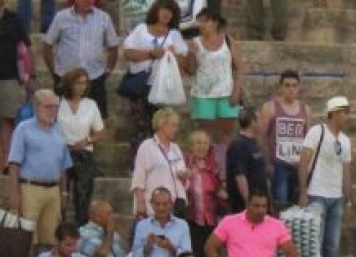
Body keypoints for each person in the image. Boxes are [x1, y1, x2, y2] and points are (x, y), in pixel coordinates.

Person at [298, 96, 352, 257]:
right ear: (335, 113)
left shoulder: (345, 141)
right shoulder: (317, 132)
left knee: (332, 246)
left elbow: (346, 172)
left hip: (336, 197)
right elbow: (303, 161)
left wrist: (348, 200)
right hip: (316, 194)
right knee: (315, 245)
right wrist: (303, 191)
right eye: (344, 112)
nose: (347, 117)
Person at [119, 1, 189, 156]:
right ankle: (137, 165)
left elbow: (184, 61)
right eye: (164, 9)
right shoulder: (141, 29)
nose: (166, 14)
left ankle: (161, 163)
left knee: (163, 128)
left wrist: (170, 54)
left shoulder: (174, 35)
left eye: (170, 11)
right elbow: (127, 53)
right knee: (139, 128)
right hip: (142, 86)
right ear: (156, 11)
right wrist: (151, 54)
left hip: (164, 89)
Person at [8, 89, 71, 254]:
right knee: (26, 238)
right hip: (30, 189)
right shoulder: (24, 129)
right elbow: (14, 163)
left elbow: (63, 165)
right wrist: (14, 194)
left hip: (53, 190)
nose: (52, 111)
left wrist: (64, 192)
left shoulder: (59, 131)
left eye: (55, 107)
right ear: (36, 107)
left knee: (51, 238)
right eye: (47, 106)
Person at [42, 0, 119, 121]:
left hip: (94, 78)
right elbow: (47, 45)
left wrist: (107, 72)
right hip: (65, 78)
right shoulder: (61, 17)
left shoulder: (104, 18)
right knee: (61, 120)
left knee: (95, 121)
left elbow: (113, 47)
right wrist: (54, 72)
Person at [56, 67, 103, 225]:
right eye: (78, 83)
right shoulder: (58, 103)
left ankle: (80, 230)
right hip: (62, 153)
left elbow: (100, 132)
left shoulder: (91, 104)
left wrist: (87, 140)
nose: (82, 86)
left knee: (82, 197)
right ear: (70, 84)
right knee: (60, 195)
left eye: (85, 83)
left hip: (83, 154)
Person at [258, 70, 310, 211]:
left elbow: (309, 140)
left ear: (298, 87)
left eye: (294, 85)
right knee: (281, 207)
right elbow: (261, 137)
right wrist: (267, 163)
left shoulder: (305, 110)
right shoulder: (270, 108)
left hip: (298, 165)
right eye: (287, 85)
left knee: (297, 207)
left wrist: (307, 167)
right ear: (280, 87)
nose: (291, 89)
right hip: (279, 165)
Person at [188, 8, 241, 146]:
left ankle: (227, 165)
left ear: (215, 23)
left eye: (205, 21)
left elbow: (239, 67)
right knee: (206, 137)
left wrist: (237, 91)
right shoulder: (195, 42)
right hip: (202, 94)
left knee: (228, 135)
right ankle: (209, 166)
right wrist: (191, 55)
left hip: (226, 93)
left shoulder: (228, 40)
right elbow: (191, 70)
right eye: (199, 21)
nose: (201, 25)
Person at [130, 106, 187, 223]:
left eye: (176, 126)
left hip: (175, 205)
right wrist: (140, 204)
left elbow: (183, 179)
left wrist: (184, 176)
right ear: (162, 124)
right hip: (153, 206)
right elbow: (138, 178)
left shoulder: (176, 148)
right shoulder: (147, 146)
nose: (176, 129)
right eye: (173, 125)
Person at [183, 130, 224, 257]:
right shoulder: (184, 165)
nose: (202, 146)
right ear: (191, 146)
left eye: (205, 143)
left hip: (211, 219)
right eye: (198, 143)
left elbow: (218, 188)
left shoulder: (213, 167)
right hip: (191, 218)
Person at [0, 2, 28, 163]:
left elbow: (26, 46)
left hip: (9, 77)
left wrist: (30, 76)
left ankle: (7, 162)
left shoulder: (14, 19)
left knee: (7, 121)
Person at [225, 107, 267, 216]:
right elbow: (240, 177)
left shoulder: (253, 143)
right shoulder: (239, 145)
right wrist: (249, 204)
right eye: (260, 119)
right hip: (244, 206)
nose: (263, 122)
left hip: (258, 204)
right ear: (253, 122)